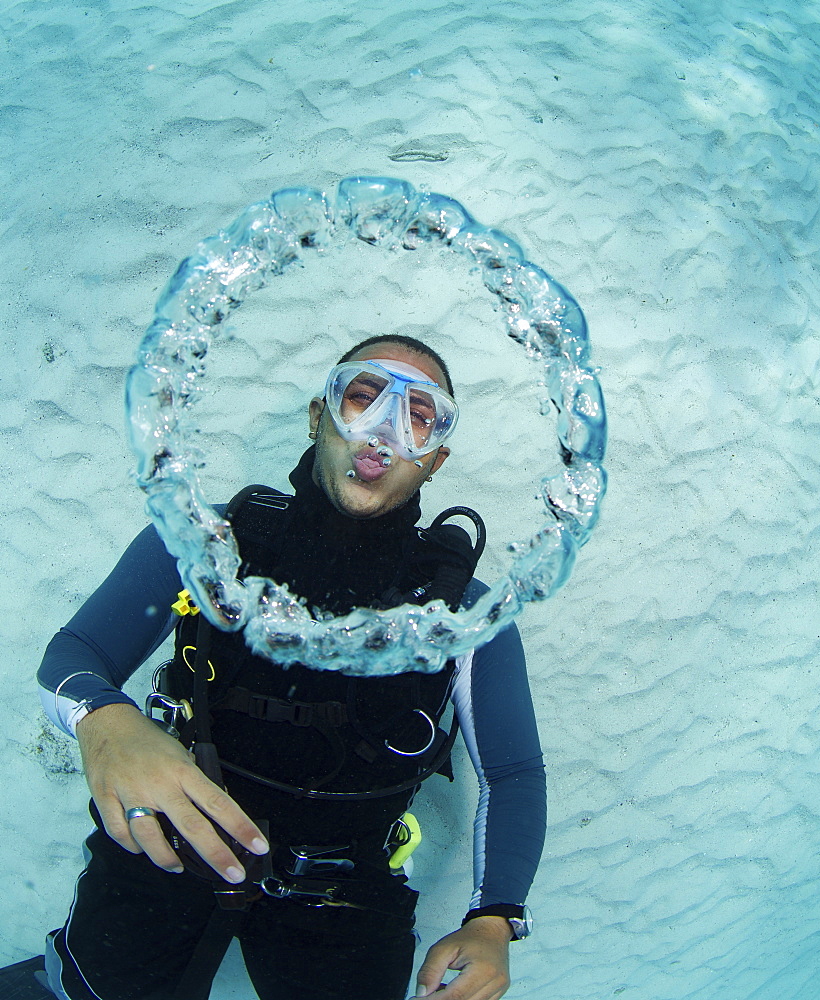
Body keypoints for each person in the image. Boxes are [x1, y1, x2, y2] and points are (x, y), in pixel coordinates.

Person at [35, 334, 546, 1000]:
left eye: (419, 415)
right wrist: (106, 723)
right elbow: (76, 654)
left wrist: (494, 918)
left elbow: (512, 773)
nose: (384, 429)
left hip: (343, 895)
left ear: (434, 458)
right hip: (167, 846)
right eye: (362, 396)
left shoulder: (464, 615)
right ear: (318, 416)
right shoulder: (206, 545)